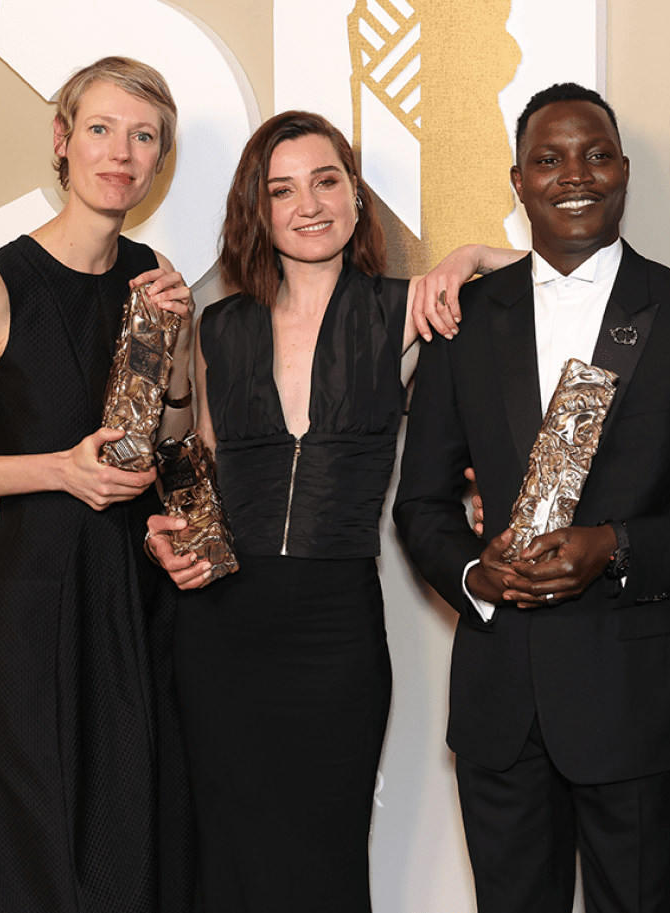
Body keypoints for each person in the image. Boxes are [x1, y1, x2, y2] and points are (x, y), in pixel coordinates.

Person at [145, 110, 517, 913]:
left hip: (334, 625)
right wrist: (166, 530)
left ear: (356, 195)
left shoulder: (408, 308)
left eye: (326, 180)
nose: (308, 204)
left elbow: (563, 288)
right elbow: (197, 466)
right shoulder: (220, 324)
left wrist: (477, 254)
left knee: (325, 858)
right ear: (259, 209)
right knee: (228, 855)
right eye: (282, 190)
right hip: (218, 625)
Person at [394, 83, 670, 913]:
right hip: (498, 707)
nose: (573, 175)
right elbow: (421, 507)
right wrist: (476, 575)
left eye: (595, 155)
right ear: (518, 181)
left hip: (635, 699)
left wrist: (613, 546)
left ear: (623, 171)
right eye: (548, 159)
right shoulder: (464, 321)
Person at [0, 57, 195, 913]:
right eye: (100, 129)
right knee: (25, 866)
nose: (120, 153)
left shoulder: (154, 275)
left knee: (131, 860)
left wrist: (178, 358)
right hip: (32, 614)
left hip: (135, 608)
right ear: (62, 143)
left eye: (143, 137)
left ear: (159, 161)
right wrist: (56, 470)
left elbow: (171, 449)